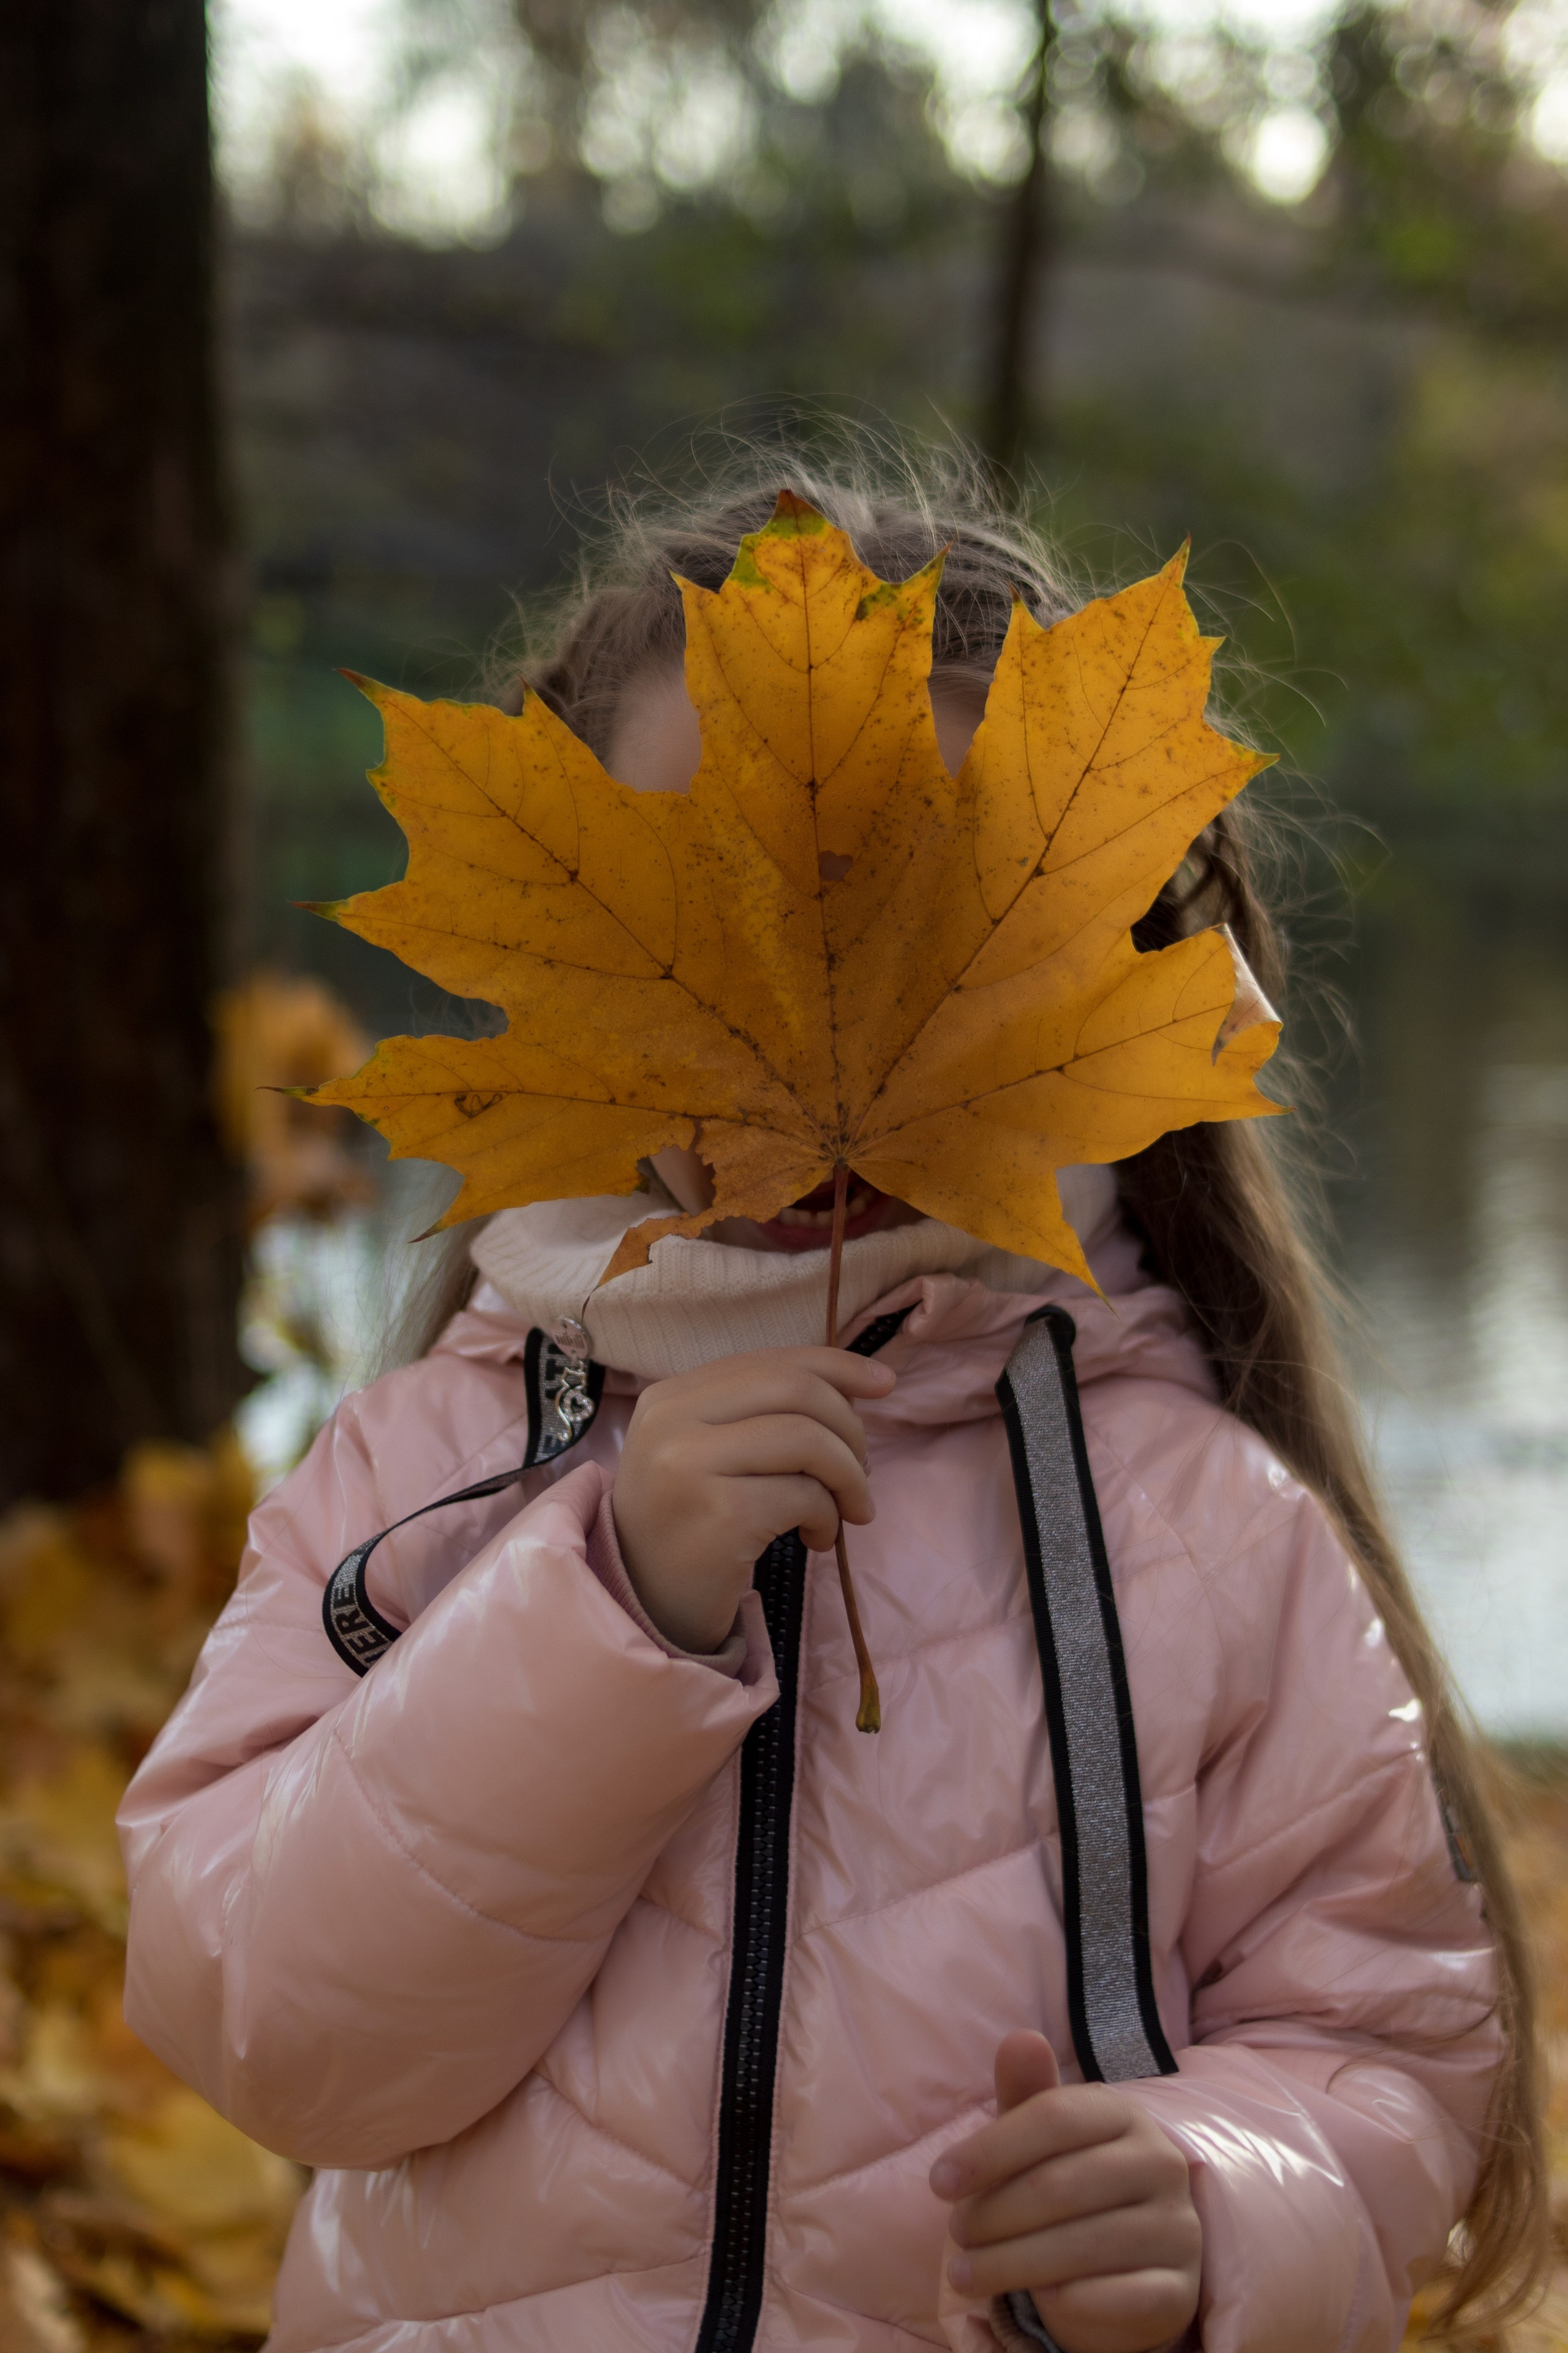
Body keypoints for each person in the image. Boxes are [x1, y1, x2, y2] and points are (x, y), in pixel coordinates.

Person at [118, 445, 1544, 2353]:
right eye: (715, 915)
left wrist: (1226, 2199)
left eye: (927, 918)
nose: (817, 989)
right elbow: (271, 2028)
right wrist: (605, 1601)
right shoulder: (422, 1476)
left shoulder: (1209, 1524)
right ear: (569, 963)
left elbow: (1391, 2043)